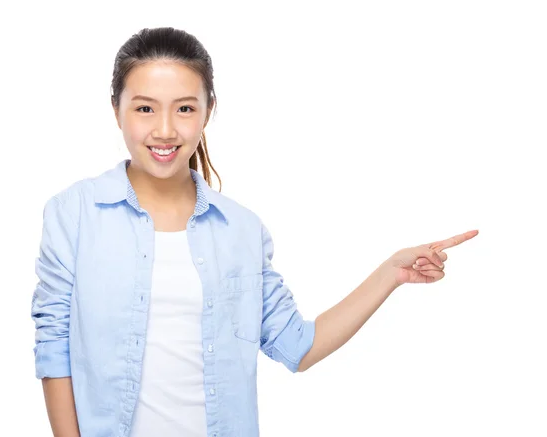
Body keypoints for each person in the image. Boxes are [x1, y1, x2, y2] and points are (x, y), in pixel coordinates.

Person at [30, 27, 479, 437]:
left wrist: (390, 274)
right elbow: (54, 348)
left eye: (185, 109)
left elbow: (298, 346)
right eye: (145, 108)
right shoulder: (74, 215)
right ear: (117, 110)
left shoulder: (241, 230)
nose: (164, 130)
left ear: (208, 112)